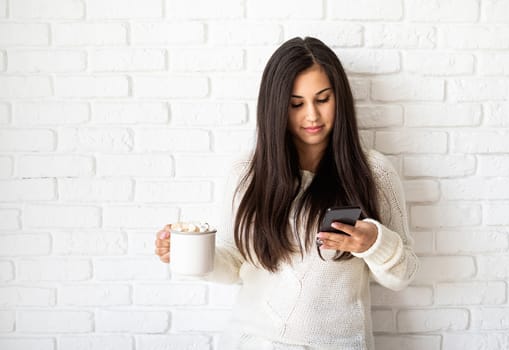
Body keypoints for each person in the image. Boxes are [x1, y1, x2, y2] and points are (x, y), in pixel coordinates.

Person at [155, 37, 419, 350]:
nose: (312, 116)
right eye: (296, 104)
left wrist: (373, 242)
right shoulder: (246, 174)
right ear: (277, 106)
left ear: (340, 98)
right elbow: (232, 263)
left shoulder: (373, 172)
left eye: (322, 99)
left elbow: (404, 275)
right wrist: (190, 254)